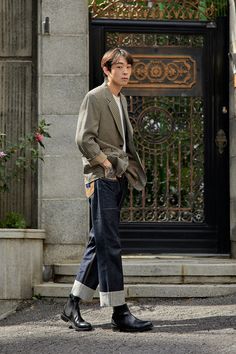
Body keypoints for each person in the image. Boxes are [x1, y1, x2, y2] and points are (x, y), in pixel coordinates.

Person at [61, 48, 153, 332]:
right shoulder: (95, 97)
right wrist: (105, 164)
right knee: (109, 243)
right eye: (121, 67)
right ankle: (119, 311)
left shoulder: (120, 99)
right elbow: (84, 138)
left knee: (98, 241)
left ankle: (72, 304)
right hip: (102, 177)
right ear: (107, 69)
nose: (126, 72)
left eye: (129, 67)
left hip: (117, 177)